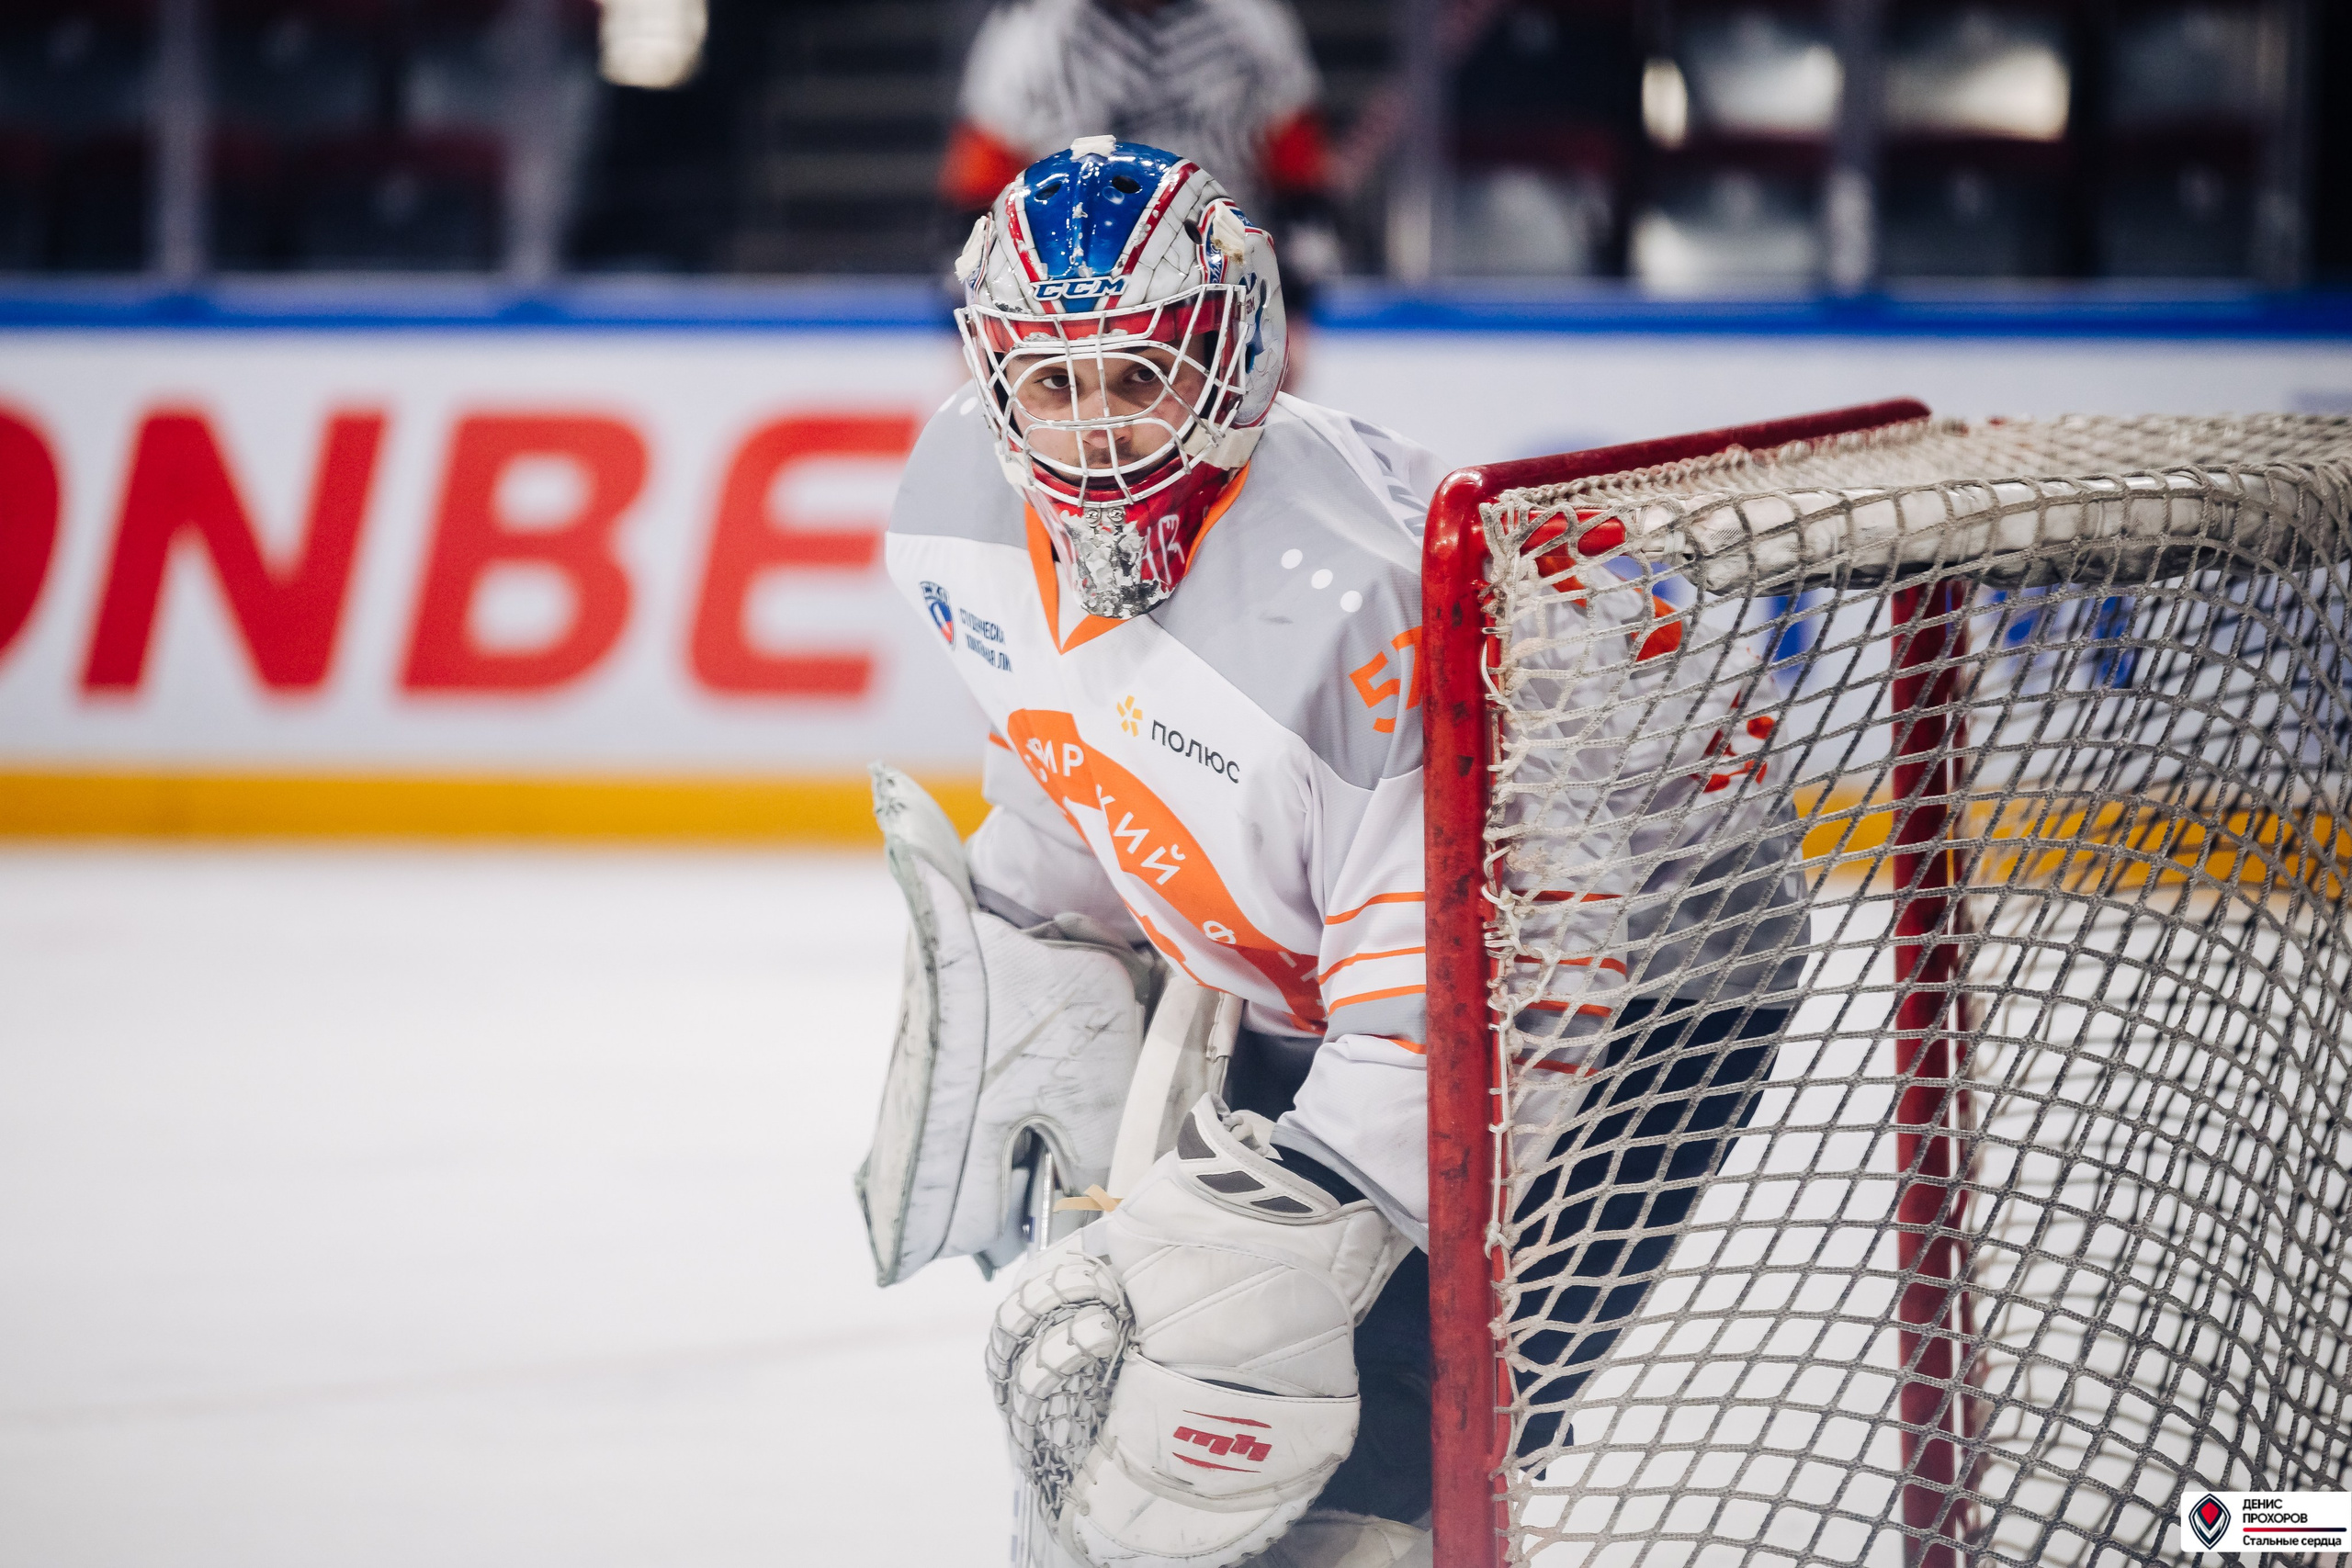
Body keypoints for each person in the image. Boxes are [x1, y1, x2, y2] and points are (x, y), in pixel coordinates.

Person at [870, 139, 1805, 1568]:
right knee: (1158, 1411)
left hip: (1634, 982)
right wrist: (1032, 938)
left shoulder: (1368, 605)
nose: (1096, 434)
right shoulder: (960, 501)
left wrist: (1296, 1242)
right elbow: (1077, 738)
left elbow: (1502, 987)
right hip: (1363, 953)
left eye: (1139, 375)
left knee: (1373, 1453)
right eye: (1054, 382)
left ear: (1235, 360)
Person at [938, 0, 1342, 378]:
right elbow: (976, 198)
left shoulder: (1251, 25)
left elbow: (1300, 183)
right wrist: (969, 317)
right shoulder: (1030, 33)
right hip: (1064, 306)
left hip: (1221, 300)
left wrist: (1292, 306)